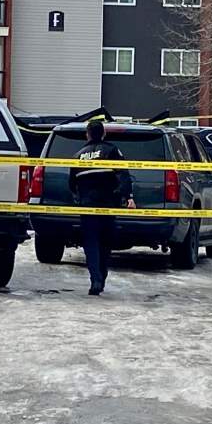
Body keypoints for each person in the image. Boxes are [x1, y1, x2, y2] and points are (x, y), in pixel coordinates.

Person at [69, 120, 135, 296]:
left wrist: (79, 199)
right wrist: (126, 196)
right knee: (105, 243)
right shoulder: (112, 151)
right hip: (107, 206)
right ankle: (101, 277)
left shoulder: (78, 155)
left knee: (91, 244)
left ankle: (95, 279)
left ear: (87, 135)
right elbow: (123, 175)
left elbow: (72, 184)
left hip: (87, 207)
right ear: (104, 134)